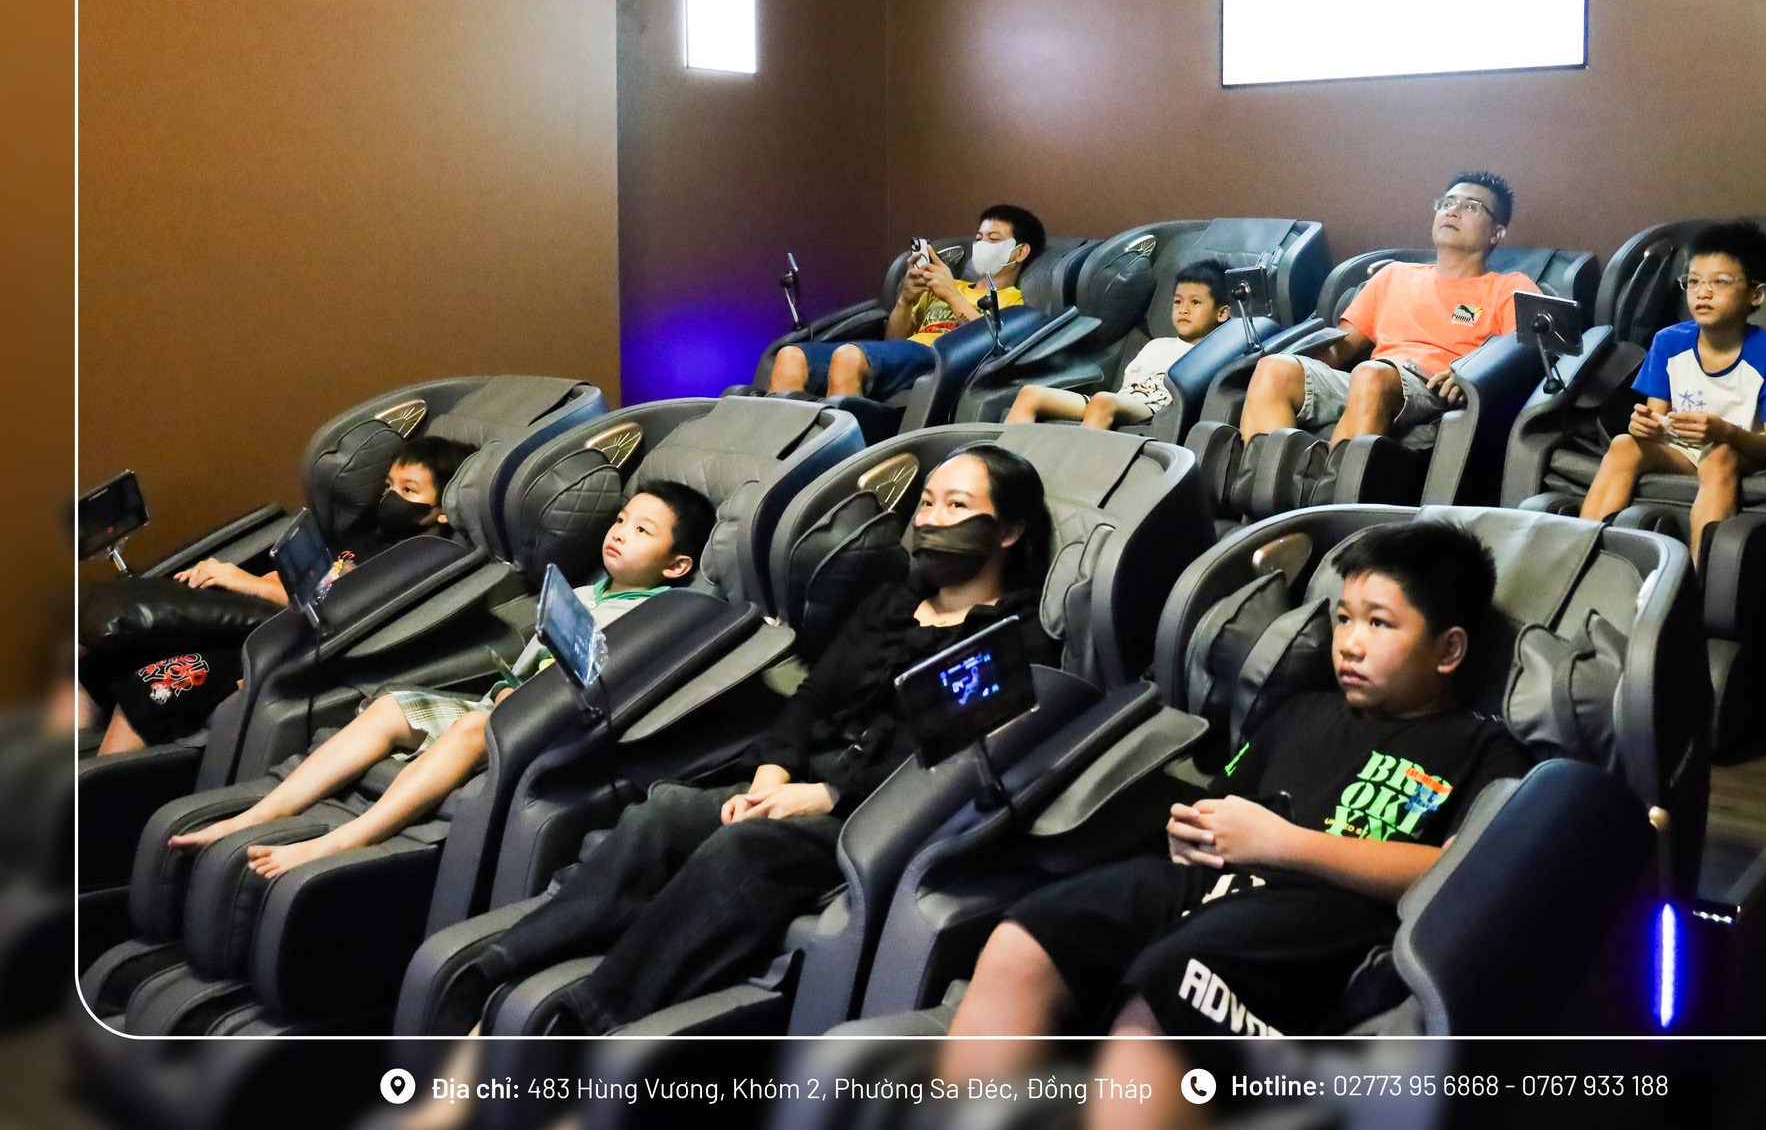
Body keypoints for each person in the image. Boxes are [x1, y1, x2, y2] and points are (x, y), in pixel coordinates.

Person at [461, 444, 1058, 1033]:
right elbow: (814, 698)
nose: (930, 519)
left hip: (876, 812)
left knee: (741, 849)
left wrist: (826, 795)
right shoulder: (891, 601)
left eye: (956, 506)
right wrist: (773, 771)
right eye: (926, 503)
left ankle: (587, 1020)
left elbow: (941, 762)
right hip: (803, 778)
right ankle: (500, 967)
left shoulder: (1012, 640)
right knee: (663, 811)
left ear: (1006, 531)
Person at [938, 519, 1530, 1075]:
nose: (1349, 643)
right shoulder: (1299, 710)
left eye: (1379, 624)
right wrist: (1191, 832)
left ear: (1449, 650)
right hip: (1208, 888)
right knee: (1031, 932)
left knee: (1174, 983)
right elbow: (1224, 807)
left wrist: (1284, 846)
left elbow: (1459, 876)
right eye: (1344, 619)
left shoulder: (1482, 748)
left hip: (1327, 917)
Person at [163, 482, 715, 878]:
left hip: (552, 735)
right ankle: (263, 812)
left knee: (472, 730)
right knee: (388, 708)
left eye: (642, 531)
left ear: (675, 566)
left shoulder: (661, 614)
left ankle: (341, 840)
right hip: (506, 705)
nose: (619, 533)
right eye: (621, 520)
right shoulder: (590, 590)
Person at [77, 436, 472, 755]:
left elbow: (329, 606)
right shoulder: (370, 535)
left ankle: (88, 806)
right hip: (256, 621)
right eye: (389, 485)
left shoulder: (414, 560)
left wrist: (243, 582)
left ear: (443, 508)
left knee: (154, 682)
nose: (391, 498)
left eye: (409, 490)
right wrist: (227, 586)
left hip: (284, 648)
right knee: (95, 661)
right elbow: (300, 579)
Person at [1239, 172, 1540, 450]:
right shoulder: (1393, 275)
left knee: (1372, 375)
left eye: (1471, 207)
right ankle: (1261, 498)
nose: (1452, 210)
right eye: (1447, 203)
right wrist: (1298, 358)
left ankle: (1333, 502)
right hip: (1370, 381)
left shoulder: (1509, 287)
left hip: (1436, 388)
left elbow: (1529, 351)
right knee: (1275, 368)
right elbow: (1340, 348)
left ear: (1496, 233)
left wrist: (1473, 371)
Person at [1578, 221, 1766, 562]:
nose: (1703, 292)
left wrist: (1725, 432)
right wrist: (1644, 425)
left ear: (1756, 294)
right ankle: (1580, 556)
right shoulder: (1668, 342)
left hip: (1741, 452)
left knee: (1719, 456)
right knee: (1624, 444)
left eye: (1720, 282)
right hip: (1682, 451)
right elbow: (1655, 420)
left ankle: (1695, 581)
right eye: (1694, 282)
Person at [768, 205, 1046, 400]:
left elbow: (991, 344)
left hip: (940, 359)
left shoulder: (1013, 302)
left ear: (1020, 252)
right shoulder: (949, 283)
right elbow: (894, 341)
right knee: (791, 356)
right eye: (979, 238)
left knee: (849, 356)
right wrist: (906, 299)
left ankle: (838, 457)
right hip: (904, 354)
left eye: (993, 239)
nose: (981, 244)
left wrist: (950, 294)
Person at [1005, 259, 1233, 430]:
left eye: (1195, 302)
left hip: (1153, 411)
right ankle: (1000, 469)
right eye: (1177, 301)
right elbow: (1127, 385)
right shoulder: (1157, 345)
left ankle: (1073, 469)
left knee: (1104, 400)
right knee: (1030, 393)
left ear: (1222, 313)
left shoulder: (1212, 355)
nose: (1183, 309)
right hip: (1120, 401)